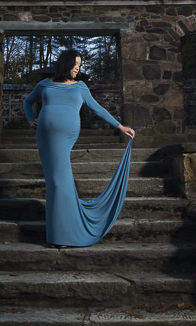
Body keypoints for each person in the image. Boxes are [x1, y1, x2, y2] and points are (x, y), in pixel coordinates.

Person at [22, 49, 136, 247]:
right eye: (76, 64)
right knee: (54, 182)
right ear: (65, 63)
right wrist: (31, 120)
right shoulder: (45, 84)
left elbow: (97, 108)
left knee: (59, 180)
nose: (78, 68)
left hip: (65, 137)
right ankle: (58, 233)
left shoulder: (81, 87)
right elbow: (27, 101)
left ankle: (66, 233)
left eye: (80, 65)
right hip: (45, 137)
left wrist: (120, 126)